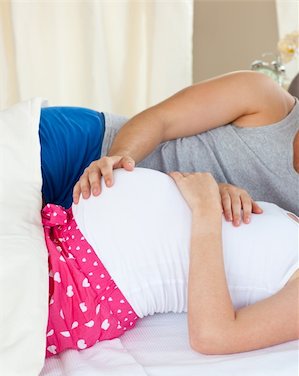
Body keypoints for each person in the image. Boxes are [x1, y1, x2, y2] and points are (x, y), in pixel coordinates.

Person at [43, 168, 299, 359]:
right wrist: (220, 193)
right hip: (61, 227)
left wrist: (205, 210)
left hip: (78, 282)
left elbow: (214, 336)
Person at [69, 70, 299, 219]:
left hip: (117, 222)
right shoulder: (263, 95)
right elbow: (161, 120)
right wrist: (120, 158)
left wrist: (215, 197)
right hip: (88, 150)